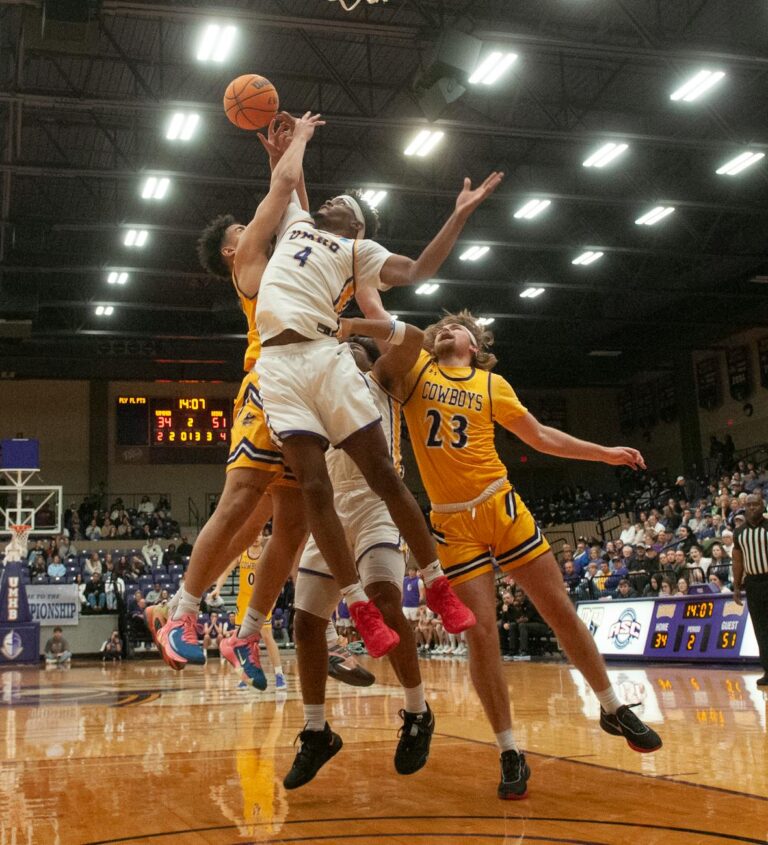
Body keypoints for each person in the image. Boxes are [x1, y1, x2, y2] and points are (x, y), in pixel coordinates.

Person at [347, 306, 661, 799]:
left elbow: (541, 437)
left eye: (459, 328)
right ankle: (510, 749)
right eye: (443, 326)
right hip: (452, 522)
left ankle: (611, 706)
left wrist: (604, 452)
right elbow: (381, 315)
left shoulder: (494, 386)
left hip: (501, 504)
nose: (447, 328)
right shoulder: (414, 371)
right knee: (482, 634)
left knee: (559, 609)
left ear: (475, 346)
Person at [253, 146, 502, 655]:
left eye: (342, 202)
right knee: (313, 487)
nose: (328, 202)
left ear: (357, 226)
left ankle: (436, 584)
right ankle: (356, 605)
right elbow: (289, 184)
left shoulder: (357, 253)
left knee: (383, 474)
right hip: (276, 366)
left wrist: (457, 216)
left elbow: (417, 272)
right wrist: (286, 148)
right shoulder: (297, 222)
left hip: (324, 355)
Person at [158, 115, 320, 668]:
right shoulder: (251, 260)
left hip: (307, 386)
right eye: (242, 231)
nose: (254, 230)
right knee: (241, 500)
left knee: (295, 524)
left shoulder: (289, 263)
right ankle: (181, 613)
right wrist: (294, 143)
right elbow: (279, 198)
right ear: (234, 251)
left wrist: (283, 159)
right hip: (270, 382)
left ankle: (248, 631)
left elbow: (299, 214)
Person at [283, 330, 434, 789]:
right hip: (330, 509)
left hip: (376, 503)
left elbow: (410, 345)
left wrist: (346, 326)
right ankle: (316, 731)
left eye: (349, 349)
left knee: (385, 600)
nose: (340, 352)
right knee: (306, 624)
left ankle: (417, 710)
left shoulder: (381, 379)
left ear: (369, 359)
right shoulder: (317, 392)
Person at [732, 492, 768, 686]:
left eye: (756, 504)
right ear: (745, 508)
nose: (752, 507)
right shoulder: (739, 533)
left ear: (763, 506)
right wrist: (737, 586)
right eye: (749, 505)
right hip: (753, 584)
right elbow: (737, 560)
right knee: (761, 628)